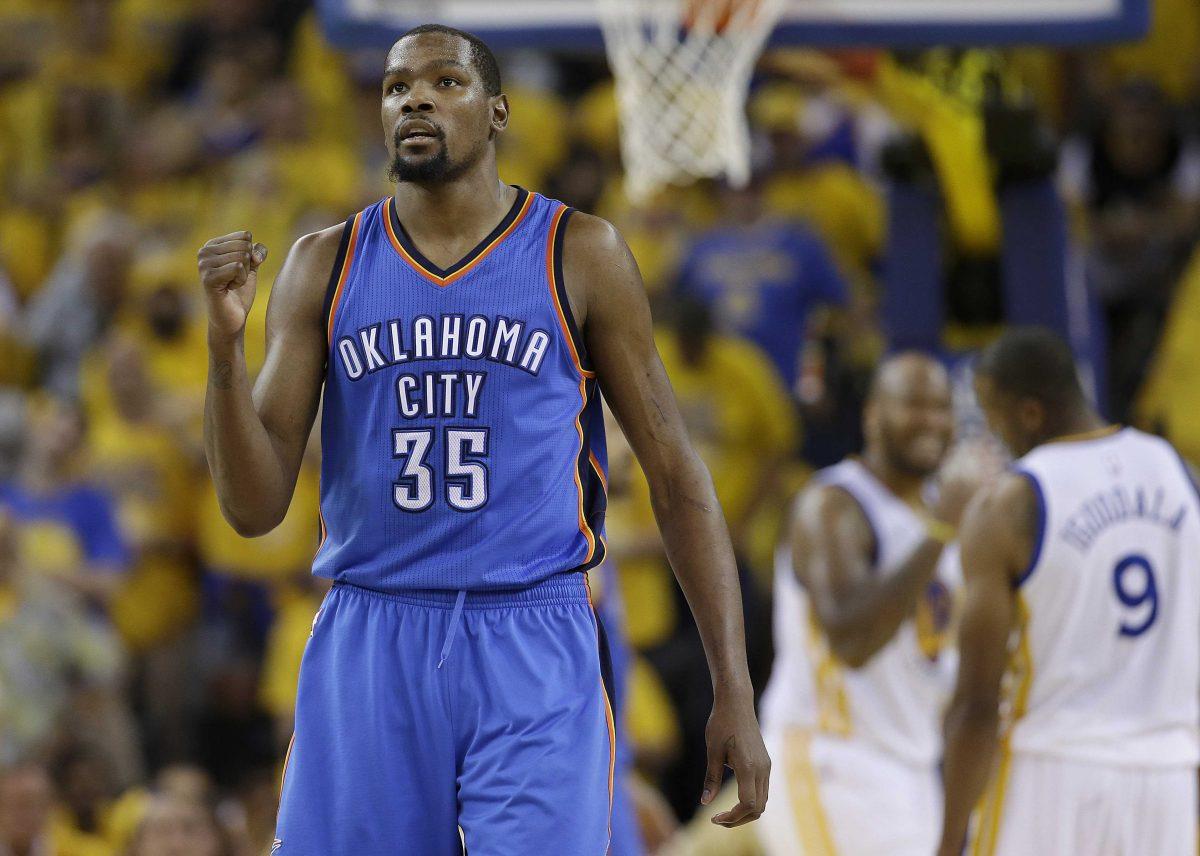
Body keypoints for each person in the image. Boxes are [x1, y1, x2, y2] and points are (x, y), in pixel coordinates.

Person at [197, 23, 769, 855]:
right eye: (397, 87)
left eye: (445, 82)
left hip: (531, 634)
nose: (416, 98)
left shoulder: (582, 252)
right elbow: (252, 510)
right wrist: (222, 353)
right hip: (372, 631)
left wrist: (735, 687)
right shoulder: (324, 262)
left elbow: (678, 478)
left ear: (497, 112)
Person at [938, 327, 1200, 856]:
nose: (995, 436)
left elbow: (976, 703)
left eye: (994, 419)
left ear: (1029, 414)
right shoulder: (1181, 474)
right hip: (1167, 775)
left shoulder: (1008, 505)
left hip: (1052, 776)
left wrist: (949, 840)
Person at [757, 353, 985, 855]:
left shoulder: (938, 518)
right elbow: (852, 640)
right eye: (914, 405)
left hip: (913, 772)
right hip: (834, 761)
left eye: (942, 408)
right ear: (873, 416)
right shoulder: (833, 504)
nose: (931, 421)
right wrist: (941, 532)